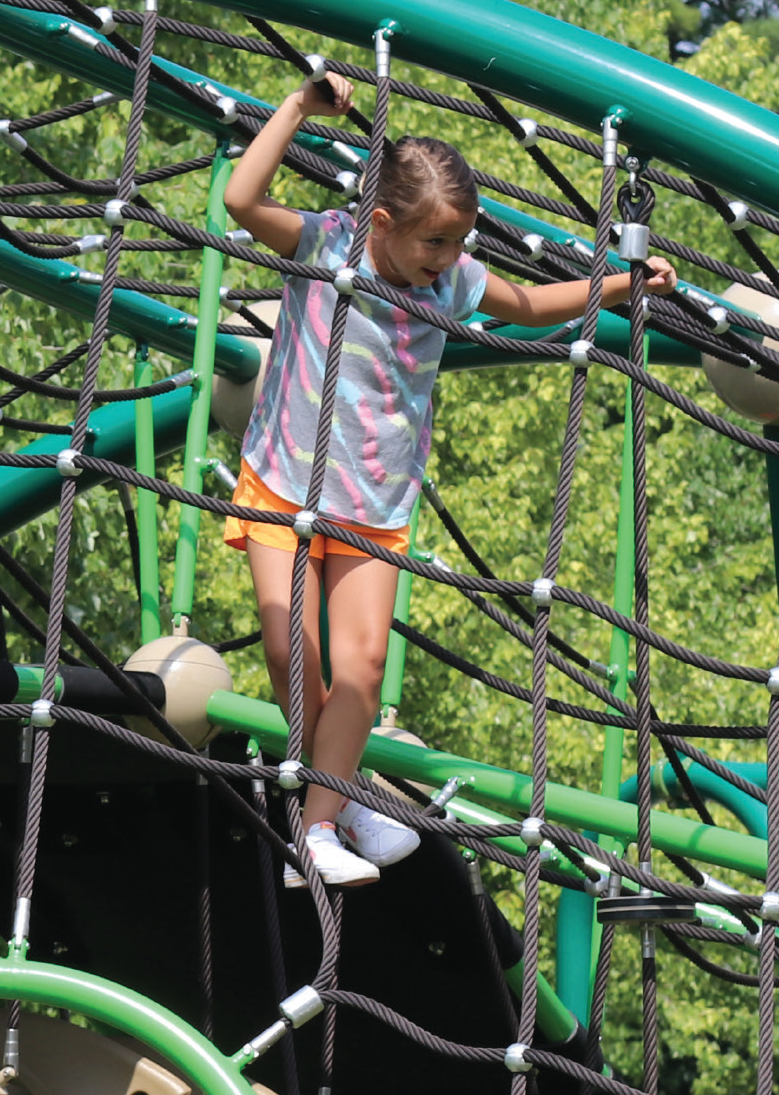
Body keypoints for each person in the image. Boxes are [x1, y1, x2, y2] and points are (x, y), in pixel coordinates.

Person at [223, 74, 677, 888]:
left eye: (458, 243)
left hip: (374, 501)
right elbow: (240, 200)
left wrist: (621, 283)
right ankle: (343, 795)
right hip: (287, 482)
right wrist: (294, 108)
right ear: (384, 222)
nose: (447, 260)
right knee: (295, 653)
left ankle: (319, 825)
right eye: (433, 243)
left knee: (360, 668)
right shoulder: (325, 244)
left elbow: (533, 305)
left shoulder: (454, 280)